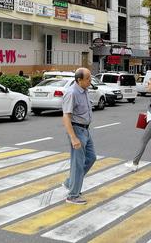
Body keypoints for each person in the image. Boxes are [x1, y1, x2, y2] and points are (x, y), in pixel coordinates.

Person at [61, 68, 97, 205]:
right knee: (77, 163)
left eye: (90, 78)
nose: (90, 81)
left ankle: (70, 182)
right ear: (79, 80)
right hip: (76, 130)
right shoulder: (72, 93)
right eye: (88, 78)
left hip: (85, 131)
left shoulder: (85, 91)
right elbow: (66, 117)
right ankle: (73, 195)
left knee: (91, 158)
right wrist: (73, 137)